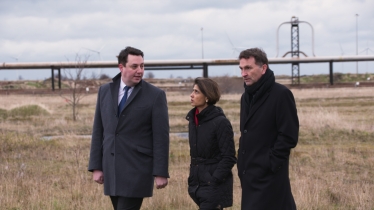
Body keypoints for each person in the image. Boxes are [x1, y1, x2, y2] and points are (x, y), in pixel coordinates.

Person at [88, 46, 170, 210]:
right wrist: (96, 166)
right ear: (121, 67)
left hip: (137, 170)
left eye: (142, 66)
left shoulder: (155, 95)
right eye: (134, 66)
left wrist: (160, 172)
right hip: (111, 169)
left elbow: (161, 137)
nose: (140, 70)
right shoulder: (105, 91)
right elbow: (99, 131)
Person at [237, 48, 299, 209]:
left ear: (263, 68)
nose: (243, 73)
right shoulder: (246, 97)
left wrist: (270, 163)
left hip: (270, 177)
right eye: (241, 69)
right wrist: (242, 163)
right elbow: (246, 133)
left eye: (248, 68)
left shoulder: (281, 94)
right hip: (249, 176)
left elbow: (289, 136)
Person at [186, 77, 237, 210]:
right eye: (193, 91)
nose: (191, 95)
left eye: (196, 92)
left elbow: (229, 157)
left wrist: (213, 180)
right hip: (196, 185)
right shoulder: (193, 121)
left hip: (213, 187)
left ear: (207, 97)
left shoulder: (220, 123)